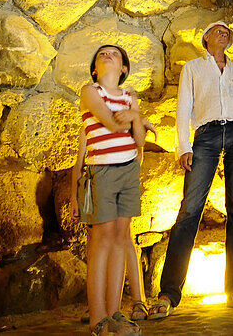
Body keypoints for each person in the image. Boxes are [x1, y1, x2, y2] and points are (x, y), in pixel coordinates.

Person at [148, 21, 233, 319]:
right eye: (219, 30)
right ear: (206, 38)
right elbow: (184, 106)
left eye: (228, 32)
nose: (225, 33)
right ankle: (169, 293)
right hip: (207, 135)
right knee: (190, 210)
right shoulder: (194, 68)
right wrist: (183, 146)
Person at [72, 44, 147, 336]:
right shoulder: (90, 92)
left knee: (119, 240)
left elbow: (138, 140)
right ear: (94, 69)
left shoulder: (131, 97)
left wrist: (135, 118)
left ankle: (115, 313)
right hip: (101, 170)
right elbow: (109, 121)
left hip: (128, 170)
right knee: (100, 242)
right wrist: (131, 118)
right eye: (101, 54)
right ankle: (98, 320)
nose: (107, 55)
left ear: (124, 69)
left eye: (114, 54)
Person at [69, 115, 156, 325]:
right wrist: (74, 196)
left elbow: (138, 156)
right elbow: (79, 163)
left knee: (124, 237)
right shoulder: (88, 127)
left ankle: (138, 300)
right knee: (93, 240)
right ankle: (98, 304)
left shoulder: (126, 122)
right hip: (93, 187)